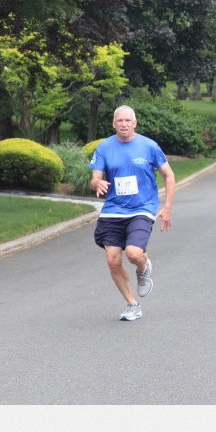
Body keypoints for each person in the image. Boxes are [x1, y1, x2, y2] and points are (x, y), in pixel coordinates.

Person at [89, 106, 176, 321]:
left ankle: (143, 267)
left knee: (134, 254)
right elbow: (94, 179)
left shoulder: (149, 146)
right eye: (120, 121)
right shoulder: (104, 147)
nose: (124, 124)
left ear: (135, 123)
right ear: (114, 123)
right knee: (112, 260)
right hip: (113, 210)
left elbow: (169, 175)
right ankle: (132, 305)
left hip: (141, 208)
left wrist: (167, 207)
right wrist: (97, 183)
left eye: (128, 120)